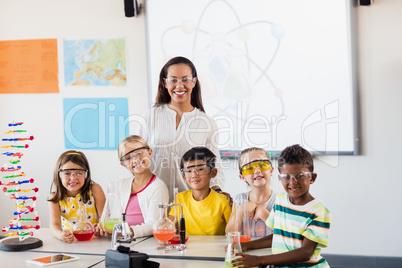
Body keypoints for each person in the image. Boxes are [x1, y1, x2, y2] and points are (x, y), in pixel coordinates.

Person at [137, 56, 226, 202]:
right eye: (173, 80)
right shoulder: (150, 117)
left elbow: (215, 167)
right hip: (153, 201)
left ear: (194, 82)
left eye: (185, 79)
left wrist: (218, 194)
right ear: (165, 83)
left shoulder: (207, 123)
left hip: (192, 205)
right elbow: (137, 160)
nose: (179, 86)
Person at [231, 144, 331, 268]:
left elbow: (305, 252)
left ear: (312, 177)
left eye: (300, 175)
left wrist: (260, 260)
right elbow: (277, 236)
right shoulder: (281, 200)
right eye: (286, 177)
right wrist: (247, 245)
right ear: (280, 178)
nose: (293, 182)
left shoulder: (319, 210)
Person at [96, 135, 169, 238]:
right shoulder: (119, 185)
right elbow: (106, 218)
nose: (135, 160)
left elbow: (153, 224)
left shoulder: (158, 187)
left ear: (149, 153)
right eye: (128, 158)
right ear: (123, 164)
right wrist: (101, 227)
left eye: (139, 153)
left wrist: (124, 231)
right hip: (119, 241)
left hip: (144, 242)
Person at [168, 147, 231, 235]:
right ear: (184, 177)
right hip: (189, 247)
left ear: (213, 172)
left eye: (200, 169)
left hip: (216, 248)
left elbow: (234, 232)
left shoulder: (223, 201)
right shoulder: (180, 199)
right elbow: (168, 224)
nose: (194, 175)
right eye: (189, 171)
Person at [48, 150, 106, 243]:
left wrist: (100, 227)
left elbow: (104, 218)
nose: (73, 178)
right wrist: (61, 235)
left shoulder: (95, 189)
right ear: (59, 175)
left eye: (79, 173)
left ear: (86, 174)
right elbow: (54, 225)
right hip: (71, 242)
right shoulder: (55, 197)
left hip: (94, 241)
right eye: (67, 173)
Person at [225, 147, 276, 238]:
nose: (257, 171)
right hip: (245, 251)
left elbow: (285, 235)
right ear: (242, 177)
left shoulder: (280, 201)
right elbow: (230, 234)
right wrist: (241, 210)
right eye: (249, 168)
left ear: (271, 170)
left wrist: (264, 214)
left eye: (262, 165)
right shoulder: (239, 200)